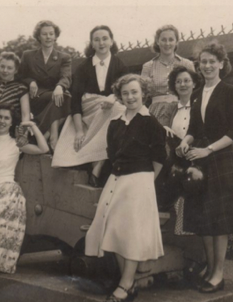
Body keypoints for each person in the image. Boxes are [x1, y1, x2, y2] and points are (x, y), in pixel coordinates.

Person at [176, 42, 233, 293]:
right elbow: (194, 130)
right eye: (203, 62)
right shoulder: (197, 94)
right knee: (203, 218)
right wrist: (185, 142)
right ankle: (209, 267)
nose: (207, 66)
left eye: (211, 61)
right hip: (200, 160)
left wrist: (208, 149)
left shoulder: (230, 91)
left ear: (221, 64)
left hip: (220, 159)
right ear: (198, 66)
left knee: (220, 220)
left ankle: (218, 273)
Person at [85, 74, 166, 302]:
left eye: (134, 92)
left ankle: (126, 283)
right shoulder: (115, 123)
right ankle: (127, 282)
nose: (130, 97)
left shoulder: (150, 122)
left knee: (131, 233)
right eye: (126, 93)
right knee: (114, 230)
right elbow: (112, 154)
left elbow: (160, 157)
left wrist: (145, 182)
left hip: (139, 181)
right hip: (116, 180)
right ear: (120, 96)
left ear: (143, 94)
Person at [0, 103, 49, 302]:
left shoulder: (17, 143)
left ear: (11, 122)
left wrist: (31, 125)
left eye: (6, 118)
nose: (2, 121)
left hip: (10, 197)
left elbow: (43, 148)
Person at [52, 25, 128, 187]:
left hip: (111, 106)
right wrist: (79, 130)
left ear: (112, 41)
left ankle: (99, 162)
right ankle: (97, 159)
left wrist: (112, 97)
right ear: (92, 44)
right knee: (118, 111)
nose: (101, 43)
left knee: (120, 111)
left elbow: (125, 89)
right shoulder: (83, 67)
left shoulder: (119, 65)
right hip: (88, 108)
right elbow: (76, 101)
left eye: (105, 38)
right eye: (97, 39)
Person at [156, 66, 200, 235]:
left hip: (194, 156)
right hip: (175, 158)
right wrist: (165, 127)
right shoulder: (170, 108)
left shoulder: (199, 106)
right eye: (178, 81)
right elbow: (162, 128)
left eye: (187, 81)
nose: (183, 84)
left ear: (194, 83)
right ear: (174, 86)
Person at [19, 20, 72, 150]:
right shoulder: (28, 55)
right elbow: (20, 76)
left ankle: (50, 135)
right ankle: (52, 135)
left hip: (56, 95)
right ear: (38, 36)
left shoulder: (64, 57)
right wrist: (30, 81)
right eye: (44, 34)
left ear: (55, 36)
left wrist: (60, 86)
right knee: (62, 99)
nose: (48, 37)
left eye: (51, 34)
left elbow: (66, 77)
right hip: (37, 97)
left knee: (66, 98)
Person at [141, 24, 195, 127]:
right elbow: (142, 95)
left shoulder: (187, 64)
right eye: (163, 40)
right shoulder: (148, 66)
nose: (167, 43)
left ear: (176, 42)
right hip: (156, 112)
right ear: (157, 42)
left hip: (182, 109)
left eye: (171, 40)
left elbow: (195, 90)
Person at [0, 52, 31, 124]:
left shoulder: (20, 89)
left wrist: (23, 133)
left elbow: (25, 115)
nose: (5, 70)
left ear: (16, 70)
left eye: (9, 68)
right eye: (2, 66)